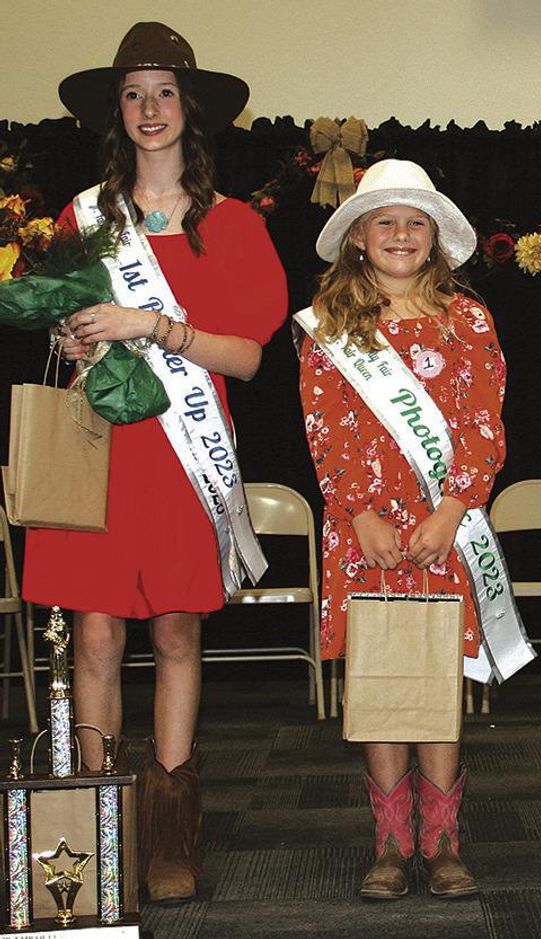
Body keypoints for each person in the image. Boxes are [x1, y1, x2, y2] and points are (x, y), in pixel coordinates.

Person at [25, 22, 287, 901]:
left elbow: (249, 357)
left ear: (191, 110)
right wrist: (75, 328)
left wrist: (151, 324)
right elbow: (60, 330)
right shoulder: (83, 216)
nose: (149, 109)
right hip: (104, 448)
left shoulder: (236, 225)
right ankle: (106, 821)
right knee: (96, 634)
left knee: (177, 627)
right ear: (115, 112)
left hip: (183, 453)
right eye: (133, 94)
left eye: (165, 92)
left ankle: (173, 827)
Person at [297, 159, 529, 900]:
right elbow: (323, 430)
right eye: (385, 221)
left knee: (435, 680)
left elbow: (484, 425)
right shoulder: (328, 326)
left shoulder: (470, 319)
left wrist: (455, 506)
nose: (400, 233)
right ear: (359, 237)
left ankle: (444, 839)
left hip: (444, 530)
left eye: (415, 222)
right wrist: (357, 512)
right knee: (380, 681)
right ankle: (391, 841)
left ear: (434, 239)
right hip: (363, 534)